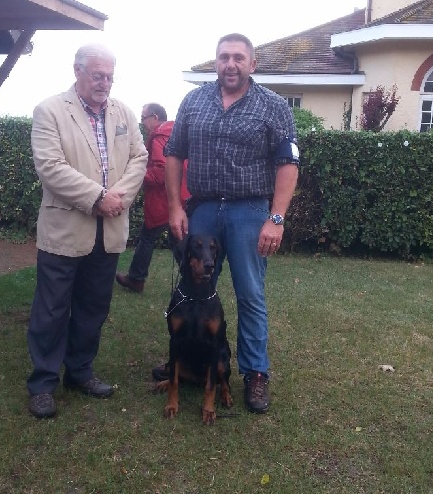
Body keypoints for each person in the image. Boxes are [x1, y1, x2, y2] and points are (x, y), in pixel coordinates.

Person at [157, 32, 299, 414]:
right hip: (201, 208)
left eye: (238, 57)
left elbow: (288, 164)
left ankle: (255, 374)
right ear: (215, 62)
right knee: (191, 287)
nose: (230, 64)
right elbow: (173, 154)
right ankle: (183, 359)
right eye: (223, 57)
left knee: (250, 293)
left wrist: (277, 218)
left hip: (249, 212)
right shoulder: (193, 101)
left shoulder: (273, 106)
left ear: (252, 64)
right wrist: (175, 207)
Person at [26, 43, 148, 419]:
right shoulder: (50, 110)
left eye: (110, 76)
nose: (105, 83)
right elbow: (51, 166)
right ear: (77, 71)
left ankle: (79, 372)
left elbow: (139, 158)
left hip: (108, 233)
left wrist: (117, 199)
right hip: (65, 230)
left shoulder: (124, 112)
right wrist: (98, 197)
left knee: (94, 308)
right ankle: (44, 383)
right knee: (52, 310)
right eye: (98, 75)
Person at [115, 103, 188, 293]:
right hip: (181, 195)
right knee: (176, 239)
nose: (142, 123)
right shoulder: (175, 132)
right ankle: (191, 281)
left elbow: (160, 172)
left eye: (143, 118)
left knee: (151, 237)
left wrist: (137, 174)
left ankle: (137, 278)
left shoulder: (159, 137)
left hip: (164, 199)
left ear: (155, 117)